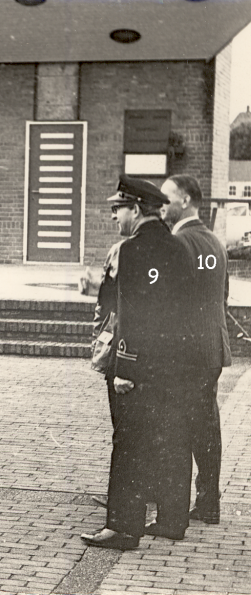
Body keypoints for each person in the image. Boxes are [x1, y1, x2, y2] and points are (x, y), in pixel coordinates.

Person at [81, 174, 199, 549]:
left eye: (119, 208)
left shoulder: (131, 251)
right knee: (174, 439)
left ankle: (122, 527)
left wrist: (125, 369)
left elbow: (131, 314)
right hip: (176, 365)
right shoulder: (180, 248)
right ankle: (173, 520)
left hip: (138, 366)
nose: (115, 216)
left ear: (137, 209)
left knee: (129, 444)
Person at [161, 174, 230, 525]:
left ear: (185, 200)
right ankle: (207, 501)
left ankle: (173, 506)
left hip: (185, 352)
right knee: (205, 425)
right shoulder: (215, 243)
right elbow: (222, 297)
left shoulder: (179, 243)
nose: (162, 205)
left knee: (178, 427)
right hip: (210, 348)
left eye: (167, 198)